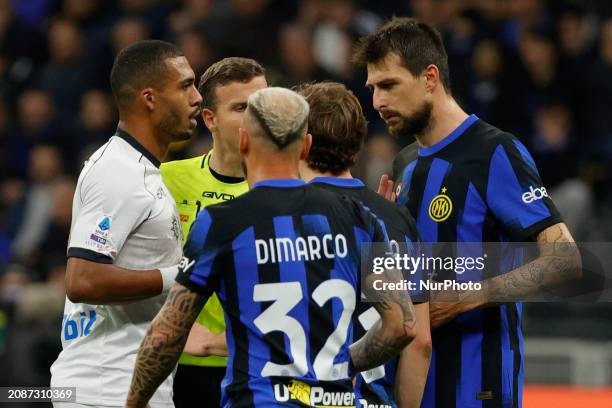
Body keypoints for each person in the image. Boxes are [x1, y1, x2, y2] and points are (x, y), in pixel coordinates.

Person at [125, 87, 417, 408]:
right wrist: (343, 364)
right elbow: (401, 326)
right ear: (305, 146)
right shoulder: (359, 218)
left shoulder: (222, 222)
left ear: (244, 142)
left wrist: (134, 403)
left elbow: (166, 335)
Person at [353, 17, 581, 408]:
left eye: (389, 85)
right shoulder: (405, 164)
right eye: (373, 89)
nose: (377, 102)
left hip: (479, 386)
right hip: (414, 387)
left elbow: (566, 262)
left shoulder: (495, 152)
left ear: (429, 77)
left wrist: (460, 299)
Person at [50, 40, 202, 408]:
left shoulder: (140, 171)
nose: (198, 98)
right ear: (149, 98)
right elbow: (82, 280)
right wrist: (179, 277)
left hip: (127, 387)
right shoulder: (118, 171)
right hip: (105, 388)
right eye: (185, 86)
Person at [296, 81, 432, 408]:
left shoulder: (289, 216)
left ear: (300, 141)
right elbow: (420, 341)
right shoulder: (397, 221)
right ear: (358, 145)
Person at [160, 57, 267, 408]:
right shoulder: (166, 180)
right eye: (241, 107)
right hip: (181, 368)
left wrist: (218, 341)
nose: (256, 117)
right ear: (210, 119)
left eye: (262, 105)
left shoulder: (290, 190)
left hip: (259, 370)